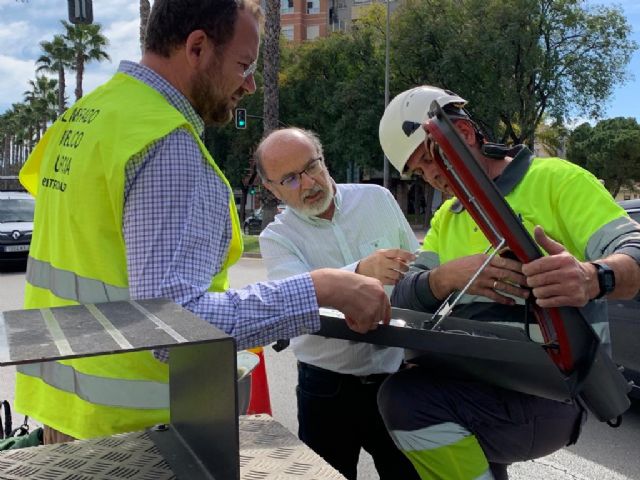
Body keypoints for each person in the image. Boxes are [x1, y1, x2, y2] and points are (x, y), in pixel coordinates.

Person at [15, 0, 389, 444]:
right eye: (244, 65)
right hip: (138, 430)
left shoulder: (83, 117)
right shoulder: (166, 144)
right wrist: (322, 288)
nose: (249, 85)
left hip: (64, 414)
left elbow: (86, 247)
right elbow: (170, 325)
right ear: (197, 47)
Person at [376, 85, 640, 480]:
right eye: (419, 172)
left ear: (463, 134)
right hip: (472, 378)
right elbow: (404, 295)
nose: (432, 178)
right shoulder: (447, 218)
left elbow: (632, 250)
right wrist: (448, 277)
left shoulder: (555, 179)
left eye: (432, 161)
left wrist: (591, 277)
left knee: (407, 402)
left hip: (548, 391)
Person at [255, 127, 420, 480]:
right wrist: (360, 271)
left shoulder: (376, 199)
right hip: (327, 390)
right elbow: (294, 300)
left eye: (311, 167)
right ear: (271, 189)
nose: (309, 183)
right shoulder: (277, 238)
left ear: (324, 159)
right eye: (290, 179)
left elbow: (418, 269)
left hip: (398, 379)